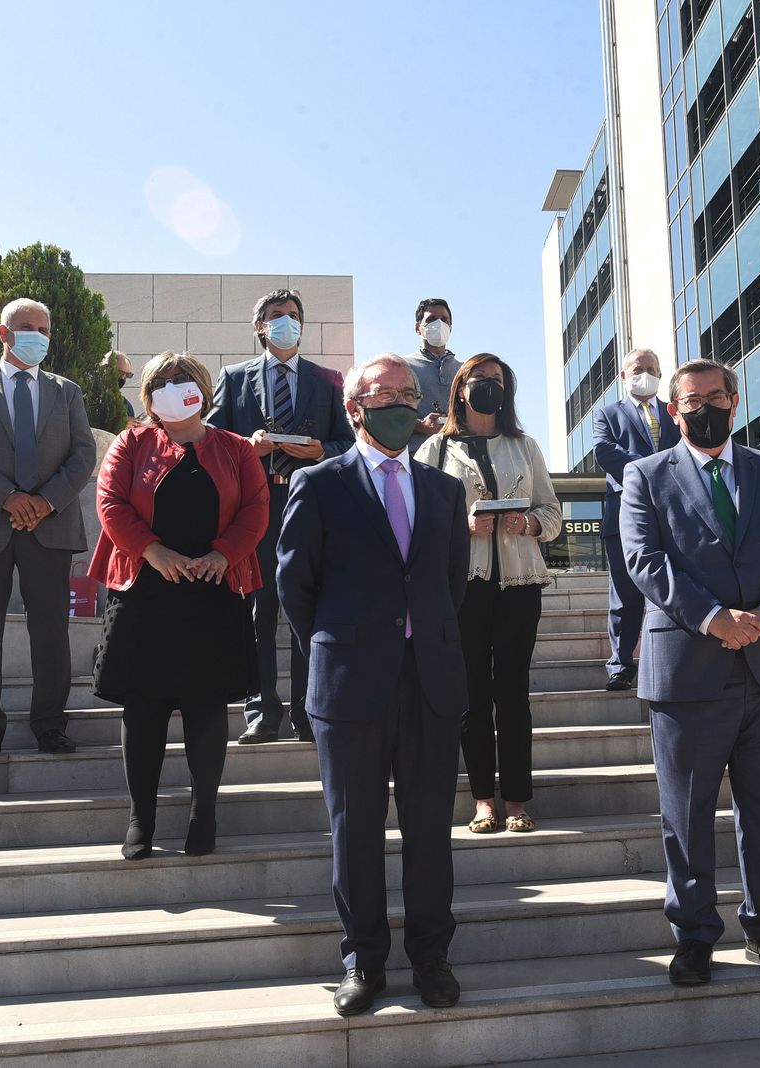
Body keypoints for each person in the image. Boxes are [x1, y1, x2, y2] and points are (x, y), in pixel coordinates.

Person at [277, 353, 470, 1016]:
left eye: (408, 393)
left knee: (429, 832)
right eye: (383, 392)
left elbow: (451, 584)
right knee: (354, 829)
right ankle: (363, 961)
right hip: (351, 684)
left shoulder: (444, 490)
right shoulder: (320, 483)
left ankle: (432, 958)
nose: (398, 402)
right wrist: (340, 646)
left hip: (431, 683)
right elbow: (295, 586)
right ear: (354, 407)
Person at [620, 359, 760, 987]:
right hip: (688, 669)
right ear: (673, 410)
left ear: (735, 402)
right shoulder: (644, 475)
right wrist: (713, 617)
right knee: (687, 812)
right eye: (690, 400)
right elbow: (643, 560)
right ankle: (695, 935)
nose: (703, 406)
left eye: (715, 396)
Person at [88, 352, 268, 860]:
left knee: (207, 711)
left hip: (213, 592)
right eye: (161, 383)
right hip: (146, 593)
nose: (173, 389)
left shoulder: (236, 449)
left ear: (203, 390)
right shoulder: (131, 442)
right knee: (142, 711)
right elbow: (110, 504)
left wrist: (222, 554)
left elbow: (256, 510)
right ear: (147, 397)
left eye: (183, 380)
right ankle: (140, 819)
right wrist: (152, 551)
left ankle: (202, 814)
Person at [0, 297, 96, 759]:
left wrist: (44, 502)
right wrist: (8, 497)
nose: (38, 337)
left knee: (51, 630)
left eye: (45, 330)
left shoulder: (66, 391)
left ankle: (50, 724)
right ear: (4, 334)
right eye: (28, 327)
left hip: (51, 525)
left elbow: (83, 455)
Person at [417, 353, 561, 834]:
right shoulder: (434, 450)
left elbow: (554, 515)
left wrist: (530, 522)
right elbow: (416, 521)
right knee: (472, 694)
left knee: (513, 693)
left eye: (497, 380)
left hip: (520, 585)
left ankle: (518, 799)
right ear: (460, 388)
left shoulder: (525, 446)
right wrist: (463, 525)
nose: (488, 387)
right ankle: (483, 799)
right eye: (479, 379)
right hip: (465, 587)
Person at [209, 287, 354, 744]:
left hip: (309, 507)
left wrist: (319, 450)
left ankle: (308, 711)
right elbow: (209, 441)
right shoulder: (233, 379)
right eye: (276, 316)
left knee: (303, 610)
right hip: (256, 509)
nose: (285, 322)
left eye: (292, 315)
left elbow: (348, 445)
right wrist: (243, 447)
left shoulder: (328, 380)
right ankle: (261, 711)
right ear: (260, 327)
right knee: (258, 613)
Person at [592, 347, 681, 690]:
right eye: (637, 369)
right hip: (625, 513)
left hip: (673, 514)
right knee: (625, 593)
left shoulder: (674, 413)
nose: (645, 374)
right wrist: (652, 469)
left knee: (674, 585)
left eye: (652, 368)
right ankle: (621, 663)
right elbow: (605, 452)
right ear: (623, 376)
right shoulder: (607, 414)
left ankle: (674, 654)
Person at [401, 297, 460, 452]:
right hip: (416, 458)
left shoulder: (465, 370)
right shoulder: (401, 366)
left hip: (456, 458)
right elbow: (389, 414)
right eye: (432, 319)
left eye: (444, 320)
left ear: (450, 328)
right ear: (417, 328)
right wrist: (421, 426)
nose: (439, 324)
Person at [109, 350, 136, 419]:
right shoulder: (87, 399)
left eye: (128, 375)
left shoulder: (126, 405)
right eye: (120, 373)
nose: (123, 378)